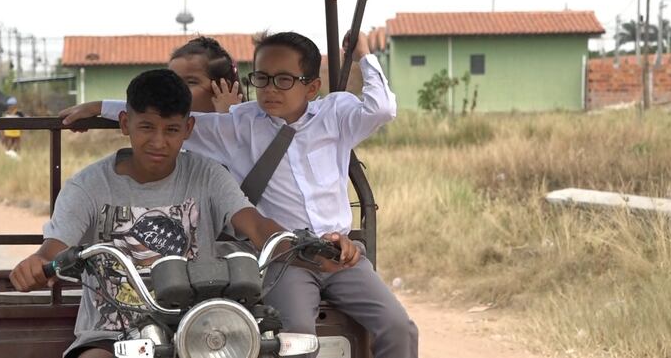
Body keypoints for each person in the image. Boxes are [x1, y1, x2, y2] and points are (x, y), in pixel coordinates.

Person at [60, 31, 418, 358]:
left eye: (283, 80)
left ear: (311, 88)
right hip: (284, 258)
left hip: (339, 253)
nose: (270, 89)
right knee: (295, 340)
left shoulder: (336, 114)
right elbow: (162, 121)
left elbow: (382, 108)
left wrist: (363, 56)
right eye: (261, 78)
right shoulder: (239, 124)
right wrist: (99, 108)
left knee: (400, 328)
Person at [12, 69, 358, 358]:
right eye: (146, 127)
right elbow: (56, 248)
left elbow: (256, 224)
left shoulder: (207, 175)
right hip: (111, 335)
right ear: (124, 123)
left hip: (202, 328)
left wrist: (309, 249)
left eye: (172, 130)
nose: (158, 142)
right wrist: (39, 265)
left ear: (188, 130)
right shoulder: (88, 185)